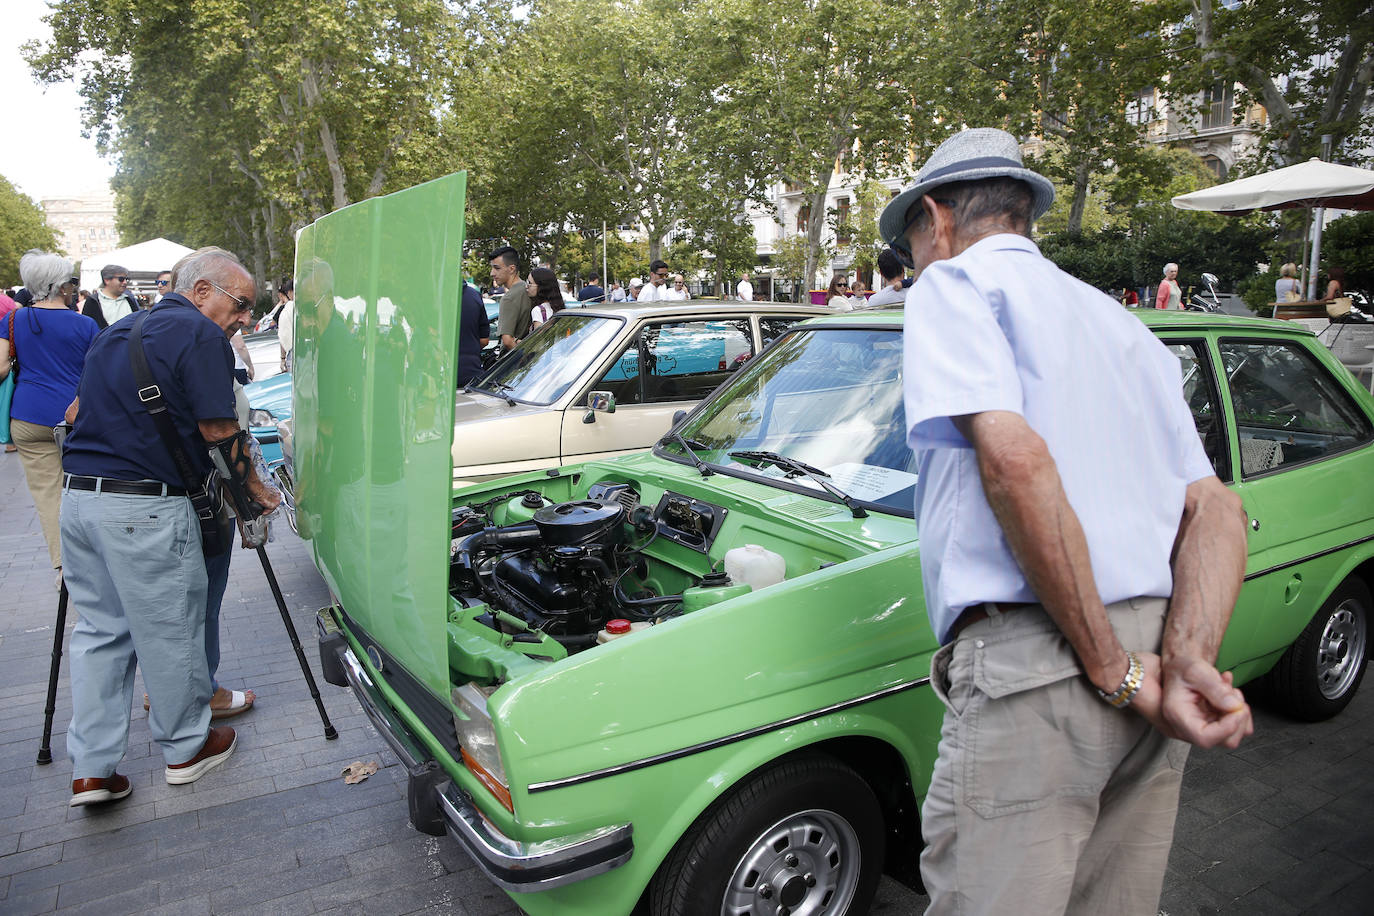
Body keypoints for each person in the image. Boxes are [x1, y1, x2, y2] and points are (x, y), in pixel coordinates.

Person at [881, 127, 1252, 914]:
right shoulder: (1123, 325)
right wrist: (1184, 661)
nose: (911, 261)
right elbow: (1215, 507)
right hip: (1149, 660)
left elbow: (1015, 463)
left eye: (909, 239)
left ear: (937, 219)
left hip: (1046, 663)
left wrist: (1108, 664)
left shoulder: (954, 285)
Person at [59, 247, 281, 807]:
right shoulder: (200, 336)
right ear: (203, 290)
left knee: (100, 633)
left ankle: (92, 770)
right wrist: (253, 492)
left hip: (81, 500)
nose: (246, 320)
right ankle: (187, 747)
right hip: (145, 508)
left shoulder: (118, 332)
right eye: (241, 304)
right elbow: (217, 428)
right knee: (169, 628)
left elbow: (74, 415)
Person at [0, 251, 98, 585]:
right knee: (88, 487)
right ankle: (95, 559)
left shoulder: (13, 320)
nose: (73, 288)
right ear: (60, 286)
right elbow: (99, 374)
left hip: (27, 418)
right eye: (71, 282)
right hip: (76, 418)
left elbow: (0, 368)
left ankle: (63, 567)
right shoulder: (85, 324)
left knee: (47, 493)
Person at [489, 245, 531, 350]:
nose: (492, 273)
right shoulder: (527, 289)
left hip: (515, 361)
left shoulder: (509, 298)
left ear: (512, 269)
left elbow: (507, 341)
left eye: (497, 268)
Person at [83, 264, 140, 329]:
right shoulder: (93, 301)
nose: (125, 282)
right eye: (121, 279)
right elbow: (85, 327)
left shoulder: (130, 300)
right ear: (107, 280)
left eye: (127, 279)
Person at [456, 280, 490, 387]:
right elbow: (484, 340)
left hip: (438, 379)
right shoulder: (474, 295)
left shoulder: (432, 297)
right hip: (472, 377)